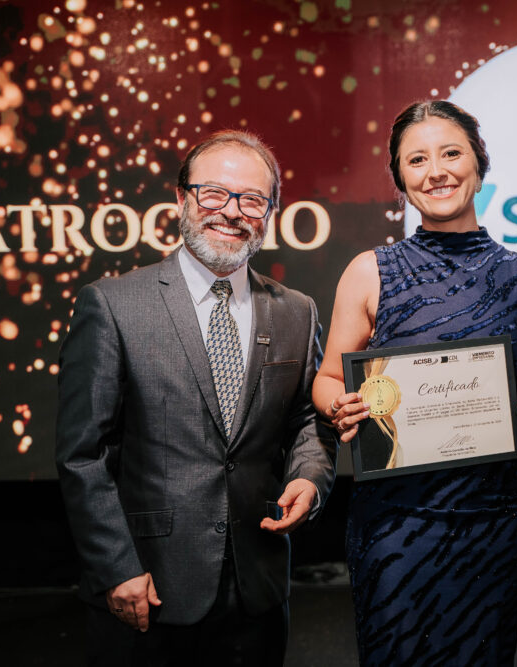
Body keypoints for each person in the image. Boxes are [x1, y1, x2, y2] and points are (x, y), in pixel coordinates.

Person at [55, 130, 338, 666]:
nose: (231, 211)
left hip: (258, 587)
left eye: (251, 199)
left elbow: (307, 418)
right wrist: (116, 567)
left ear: (270, 213)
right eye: (214, 193)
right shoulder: (112, 305)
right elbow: (83, 454)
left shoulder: (297, 311)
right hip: (148, 584)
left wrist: (309, 477)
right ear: (181, 199)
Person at [312, 100, 517, 666]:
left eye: (451, 153)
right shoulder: (369, 272)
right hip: (395, 524)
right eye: (417, 160)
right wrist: (339, 406)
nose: (436, 171)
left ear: (479, 164)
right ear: (400, 179)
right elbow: (327, 379)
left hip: (492, 523)